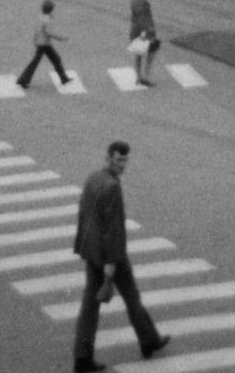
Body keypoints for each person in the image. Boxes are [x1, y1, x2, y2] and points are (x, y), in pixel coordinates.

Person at [72, 141, 169, 372]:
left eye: (125, 161)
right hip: (110, 256)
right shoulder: (112, 187)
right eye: (118, 160)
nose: (122, 165)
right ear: (108, 158)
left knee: (89, 308)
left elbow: (85, 215)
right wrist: (111, 262)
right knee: (132, 298)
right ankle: (149, 341)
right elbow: (113, 229)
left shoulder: (93, 178)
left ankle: (82, 357)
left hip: (93, 253)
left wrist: (85, 248)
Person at [16, 0, 71, 89]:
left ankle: (63, 77)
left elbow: (37, 30)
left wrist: (35, 40)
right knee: (52, 60)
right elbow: (49, 33)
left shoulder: (41, 17)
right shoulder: (47, 20)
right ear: (51, 9)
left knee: (53, 60)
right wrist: (61, 38)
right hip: (44, 44)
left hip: (41, 43)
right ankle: (23, 80)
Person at [129, 0, 160, 87]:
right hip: (143, 30)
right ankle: (146, 76)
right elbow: (142, 17)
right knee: (152, 50)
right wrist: (146, 31)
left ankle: (139, 77)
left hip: (136, 29)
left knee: (139, 53)